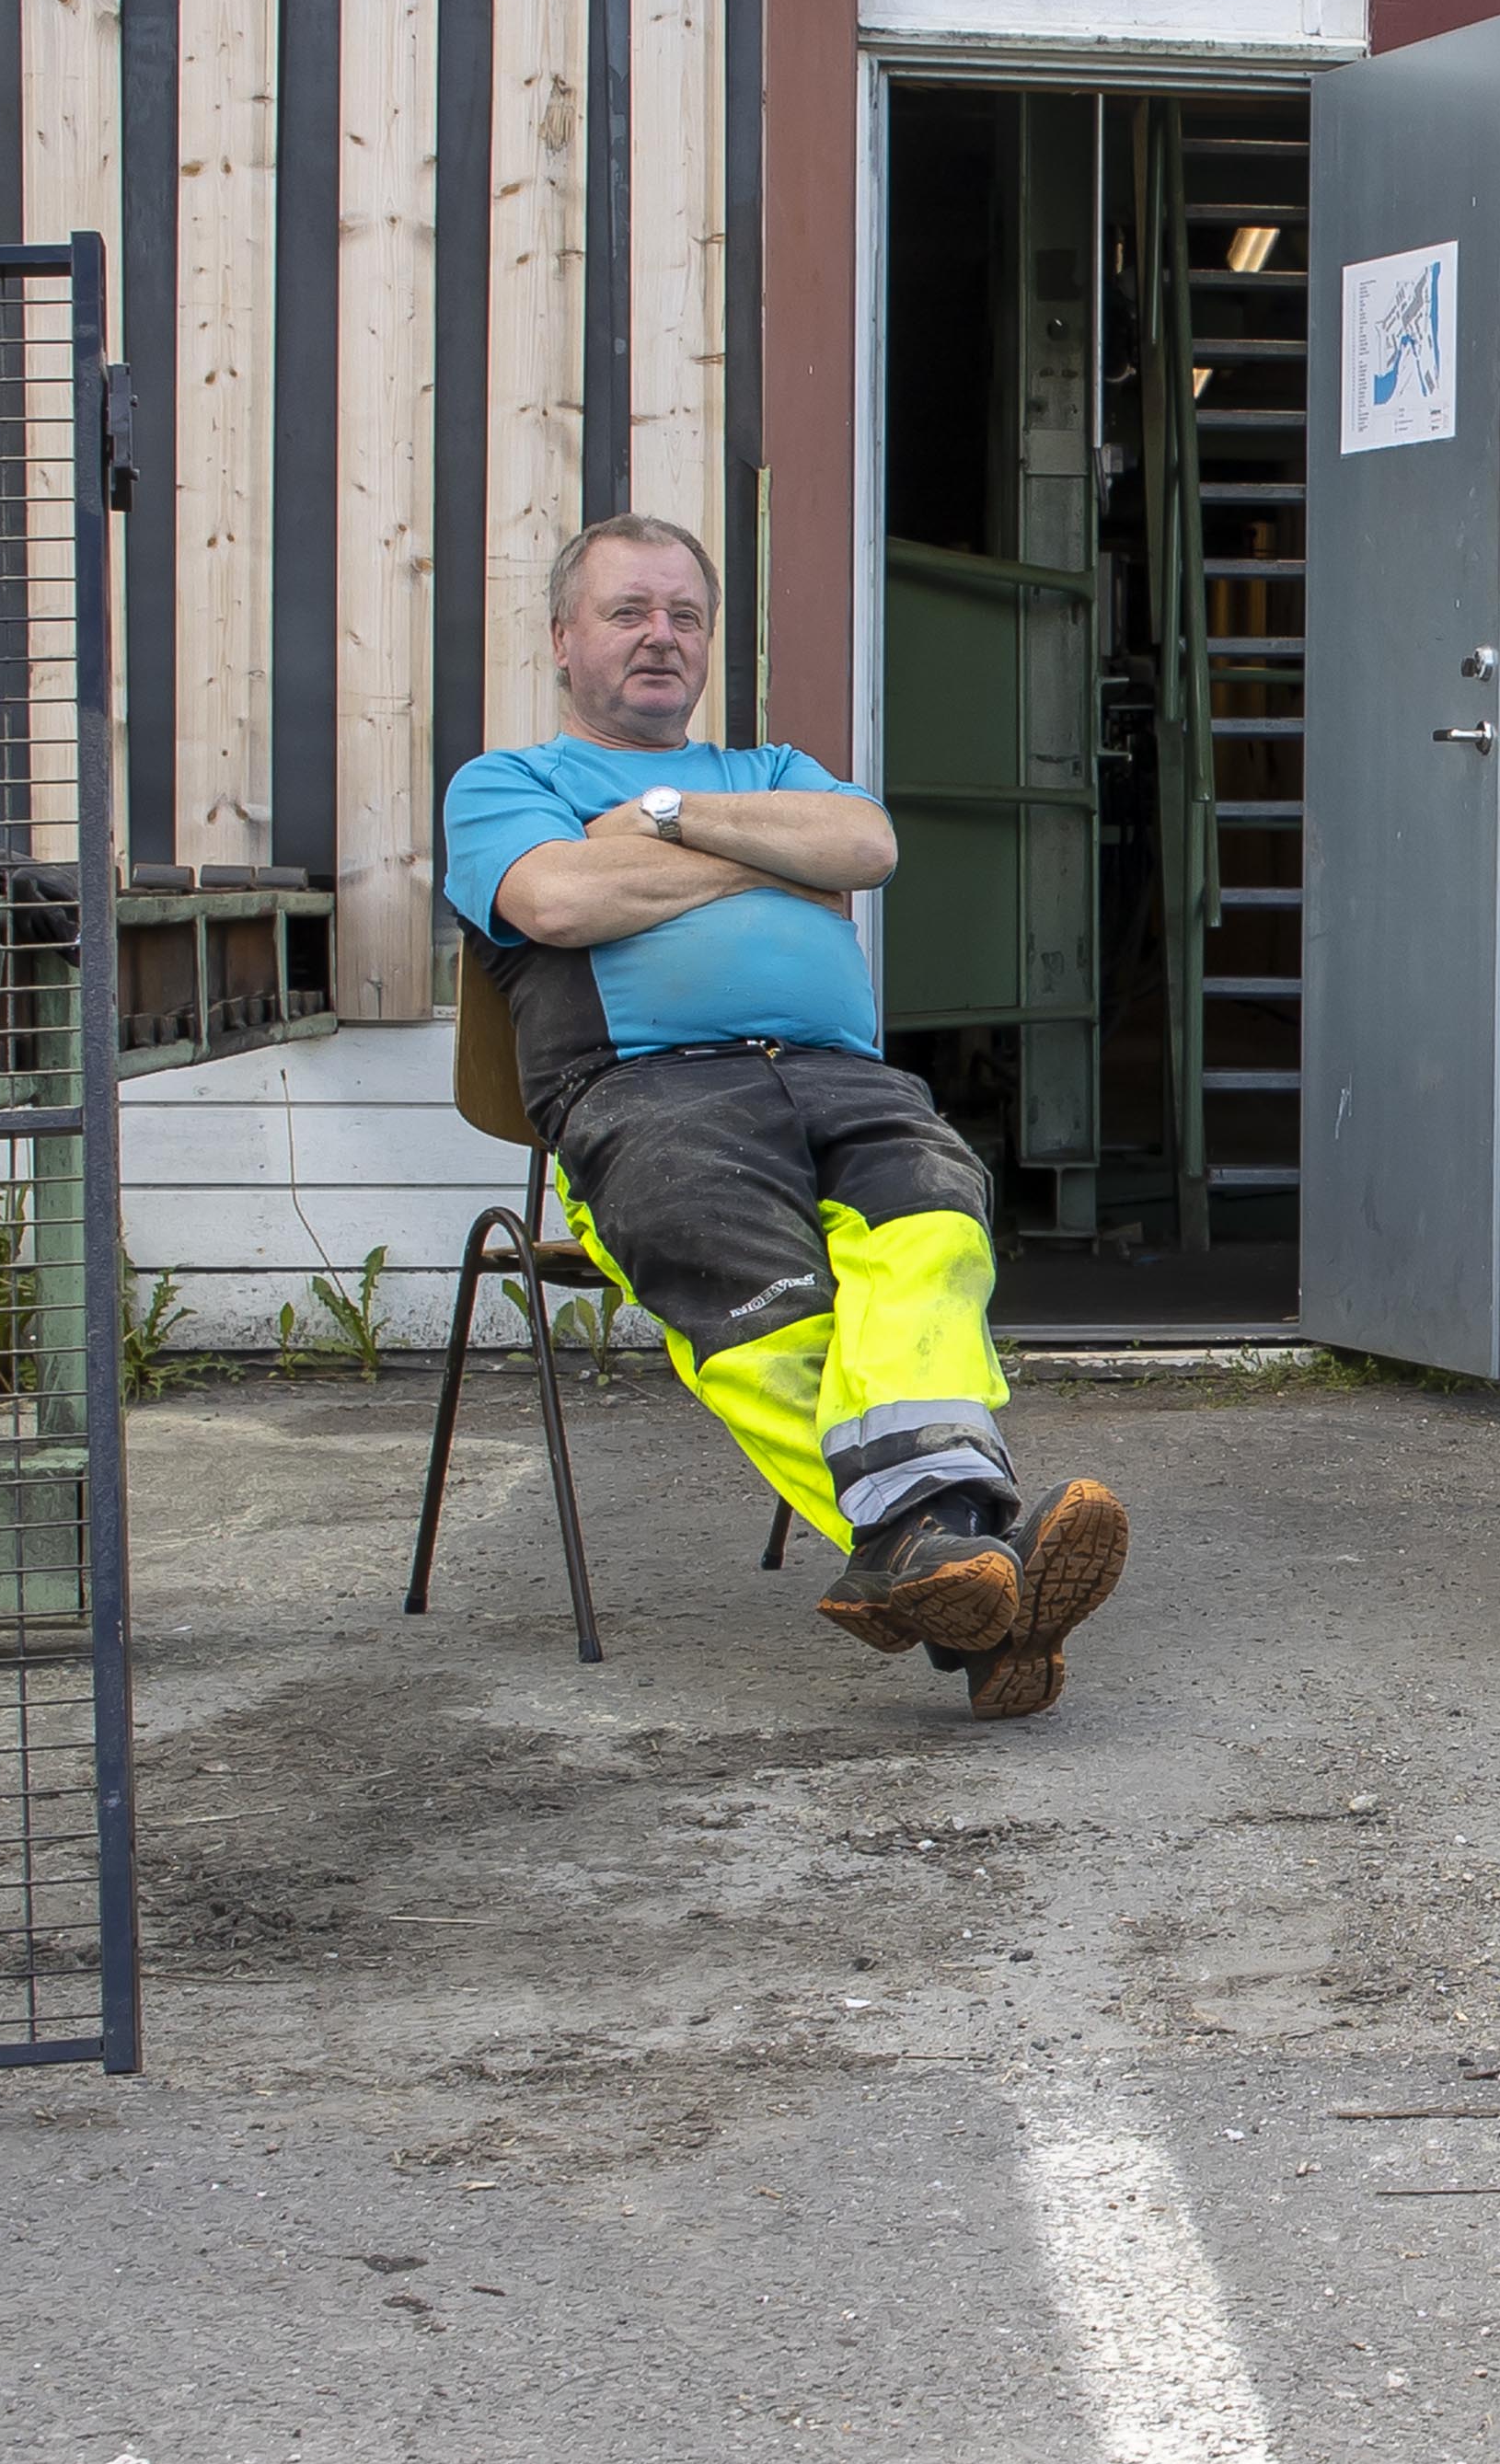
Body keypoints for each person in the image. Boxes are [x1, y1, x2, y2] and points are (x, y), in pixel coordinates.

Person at [439, 513, 1126, 1718]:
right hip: (645, 1096)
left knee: (939, 1229)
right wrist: (774, 862)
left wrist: (662, 823)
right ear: (561, 638)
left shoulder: (770, 769)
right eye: (627, 613)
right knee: (768, 1301)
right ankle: (970, 1559)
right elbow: (550, 897)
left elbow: (865, 842)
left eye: (685, 616)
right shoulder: (511, 785)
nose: (662, 637)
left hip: (843, 1080)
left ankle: (947, 1579)